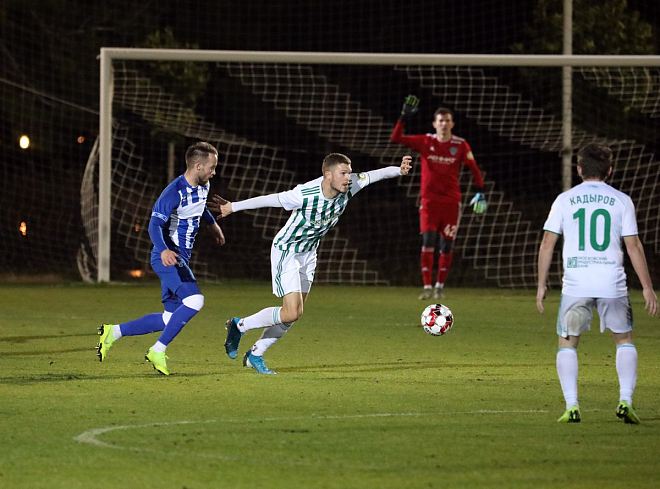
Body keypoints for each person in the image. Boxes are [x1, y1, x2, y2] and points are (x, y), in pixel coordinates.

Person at [207, 153, 412, 374]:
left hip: (309, 253)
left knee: (295, 313)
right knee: (290, 313)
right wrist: (233, 207)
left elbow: (374, 175)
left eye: (349, 173)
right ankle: (239, 325)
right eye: (343, 173)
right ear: (328, 175)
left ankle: (255, 355)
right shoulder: (304, 194)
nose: (348, 178)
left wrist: (398, 170)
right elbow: (270, 199)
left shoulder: (350, 185)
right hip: (287, 250)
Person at [537, 142, 658, 424]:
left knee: (567, 343)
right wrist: (647, 287)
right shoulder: (622, 200)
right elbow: (633, 246)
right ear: (610, 170)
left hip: (576, 284)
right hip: (611, 283)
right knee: (624, 340)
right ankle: (625, 401)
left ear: (579, 169)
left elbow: (547, 243)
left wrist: (541, 284)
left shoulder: (564, 199)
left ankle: (572, 406)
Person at [96, 141, 226, 375]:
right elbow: (154, 225)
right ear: (198, 166)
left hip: (179, 258)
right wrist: (164, 250)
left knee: (170, 318)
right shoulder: (174, 192)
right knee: (195, 301)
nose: (214, 172)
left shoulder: (203, 185)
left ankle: (113, 332)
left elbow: (200, 207)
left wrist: (213, 225)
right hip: (167, 258)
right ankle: (157, 350)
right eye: (212, 167)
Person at [391, 95, 487, 300]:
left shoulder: (460, 144)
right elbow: (396, 138)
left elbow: (474, 168)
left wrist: (480, 191)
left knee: (446, 245)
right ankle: (427, 287)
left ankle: (439, 287)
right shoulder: (426, 141)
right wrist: (403, 117)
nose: (444, 124)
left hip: (451, 203)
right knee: (428, 241)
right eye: (440, 121)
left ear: (452, 124)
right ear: (434, 124)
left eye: (447, 120)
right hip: (429, 202)